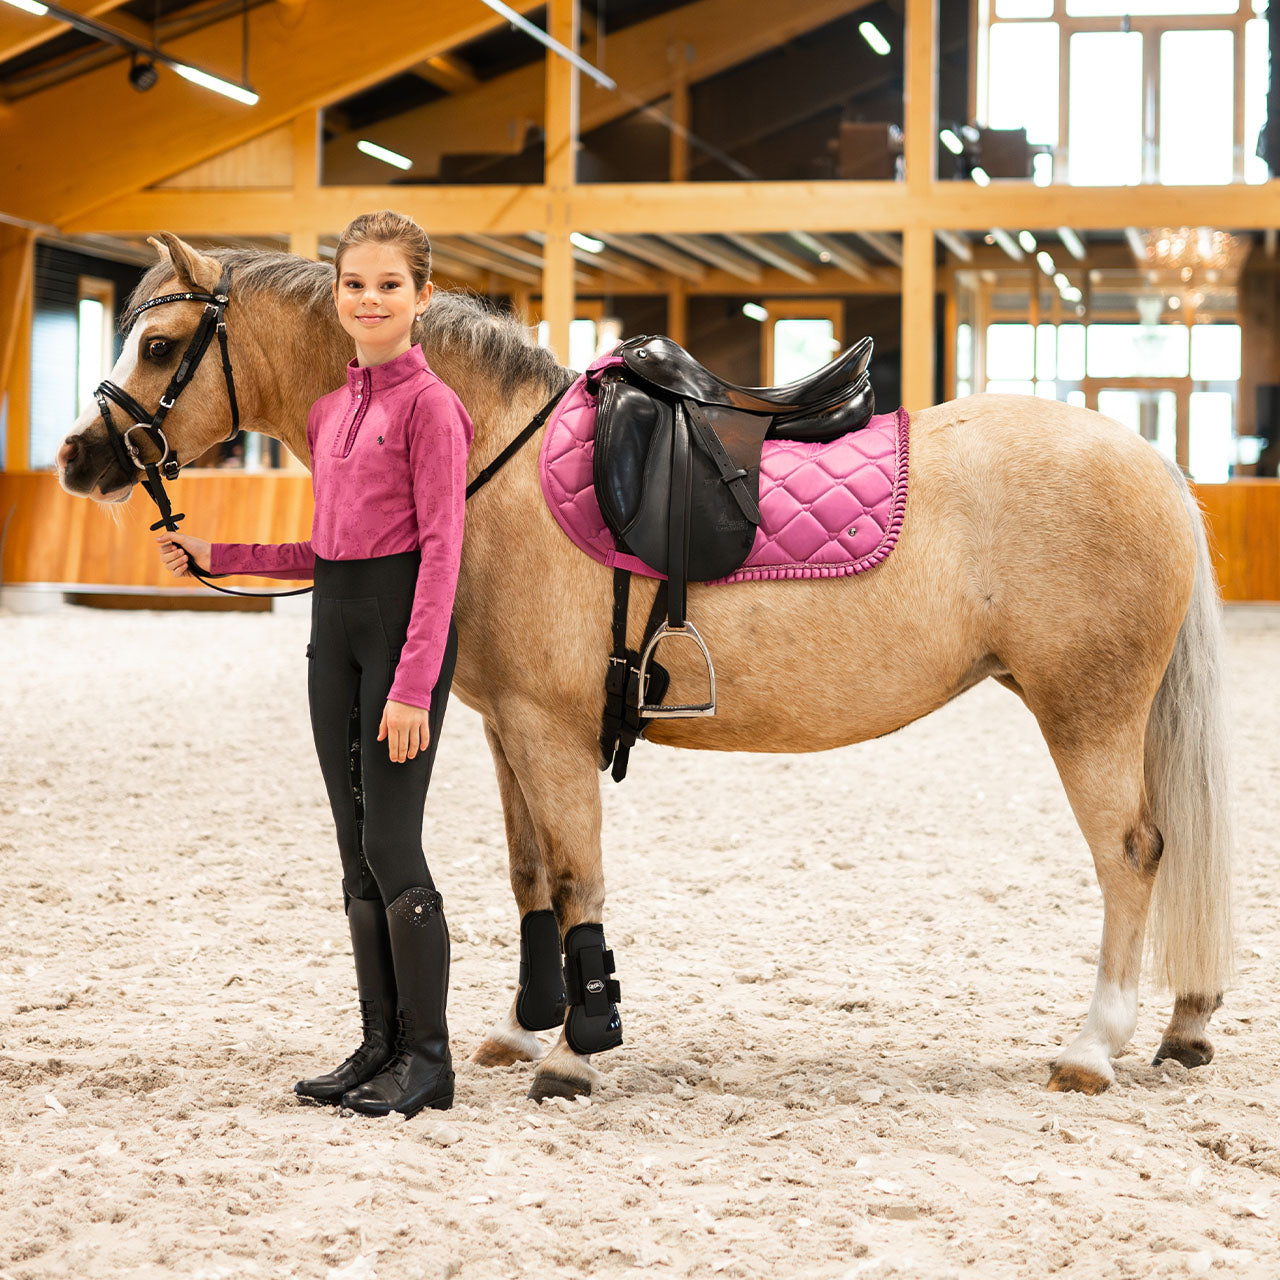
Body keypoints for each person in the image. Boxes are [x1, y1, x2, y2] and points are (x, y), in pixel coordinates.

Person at [158, 210, 472, 1118]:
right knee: (351, 844)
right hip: (332, 636)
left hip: (401, 642)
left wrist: (414, 683)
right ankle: (378, 1043)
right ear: (336, 295)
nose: (369, 300)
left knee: (391, 840)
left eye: (388, 285)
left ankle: (430, 1058)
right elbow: (328, 552)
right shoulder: (330, 412)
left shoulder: (432, 408)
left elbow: (442, 555)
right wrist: (222, 554)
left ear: (423, 297)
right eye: (354, 283)